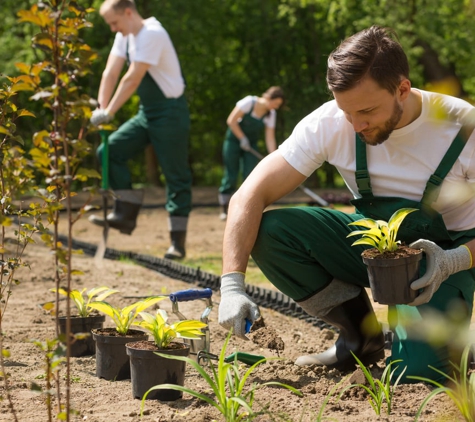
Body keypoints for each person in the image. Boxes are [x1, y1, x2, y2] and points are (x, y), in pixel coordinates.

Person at [218, 25, 475, 382]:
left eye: (367, 111)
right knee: (272, 232)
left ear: (402, 89)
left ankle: (440, 336)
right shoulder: (331, 122)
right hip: (373, 249)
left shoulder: (462, 127)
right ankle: (360, 337)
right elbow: (250, 193)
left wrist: (452, 261)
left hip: (443, 263)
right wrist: (231, 285)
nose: (356, 125)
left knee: (416, 376)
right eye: (347, 112)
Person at [89, 0, 192, 260]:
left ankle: (177, 244)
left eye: (114, 22)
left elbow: (132, 78)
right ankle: (125, 215)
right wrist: (101, 107)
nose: (113, 29)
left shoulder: (152, 34)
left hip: (170, 114)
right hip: (147, 114)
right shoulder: (126, 37)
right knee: (108, 151)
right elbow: (110, 73)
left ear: (128, 12)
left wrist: (110, 112)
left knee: (175, 177)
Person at [218, 87, 285, 220]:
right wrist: (242, 138)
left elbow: (270, 137)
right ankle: (225, 209)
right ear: (268, 98)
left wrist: (273, 156)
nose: (275, 107)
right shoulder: (249, 102)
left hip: (251, 146)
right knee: (231, 175)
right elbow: (231, 120)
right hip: (234, 141)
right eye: (275, 103)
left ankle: (244, 209)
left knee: (249, 175)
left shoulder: (271, 114)